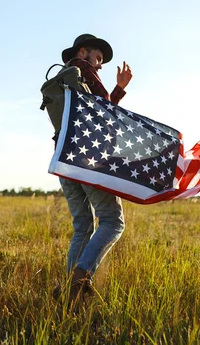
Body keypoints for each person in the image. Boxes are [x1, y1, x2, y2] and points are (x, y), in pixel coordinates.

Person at [56, 34, 133, 305]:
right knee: (113, 221)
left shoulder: (63, 79)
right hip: (87, 159)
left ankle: (69, 293)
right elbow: (106, 113)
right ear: (83, 51)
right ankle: (81, 276)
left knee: (83, 227)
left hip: (63, 159)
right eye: (98, 58)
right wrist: (119, 89)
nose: (99, 65)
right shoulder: (84, 70)